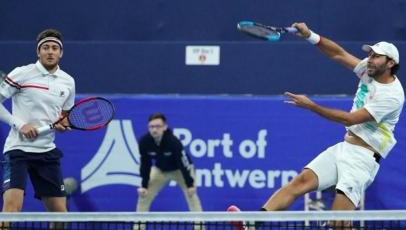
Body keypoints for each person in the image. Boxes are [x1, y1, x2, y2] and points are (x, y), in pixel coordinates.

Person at [228, 22, 404, 228]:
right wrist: (310, 35)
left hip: (363, 159)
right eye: (370, 54)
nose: (370, 59)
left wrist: (311, 106)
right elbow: (338, 54)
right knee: (301, 182)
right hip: (344, 148)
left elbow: (349, 119)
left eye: (376, 56)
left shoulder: (392, 96)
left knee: (338, 225)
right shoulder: (369, 69)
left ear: (390, 63)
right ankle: (252, 224)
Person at [0, 29, 75, 218]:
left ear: (61, 53)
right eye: (46, 47)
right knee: (11, 210)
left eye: (55, 48)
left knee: (60, 215)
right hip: (18, 150)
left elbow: (64, 116)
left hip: (46, 152)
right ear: (38, 52)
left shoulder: (68, 82)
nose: (50, 51)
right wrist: (19, 124)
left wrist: (63, 124)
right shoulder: (22, 73)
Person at [135, 113, 203, 229]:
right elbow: (145, 164)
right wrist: (144, 185)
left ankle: (199, 228)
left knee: (192, 196)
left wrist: (190, 184)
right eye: (151, 127)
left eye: (158, 126)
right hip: (160, 170)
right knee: (144, 196)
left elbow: (183, 162)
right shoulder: (144, 142)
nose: (154, 129)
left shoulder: (173, 142)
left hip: (180, 170)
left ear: (165, 127)